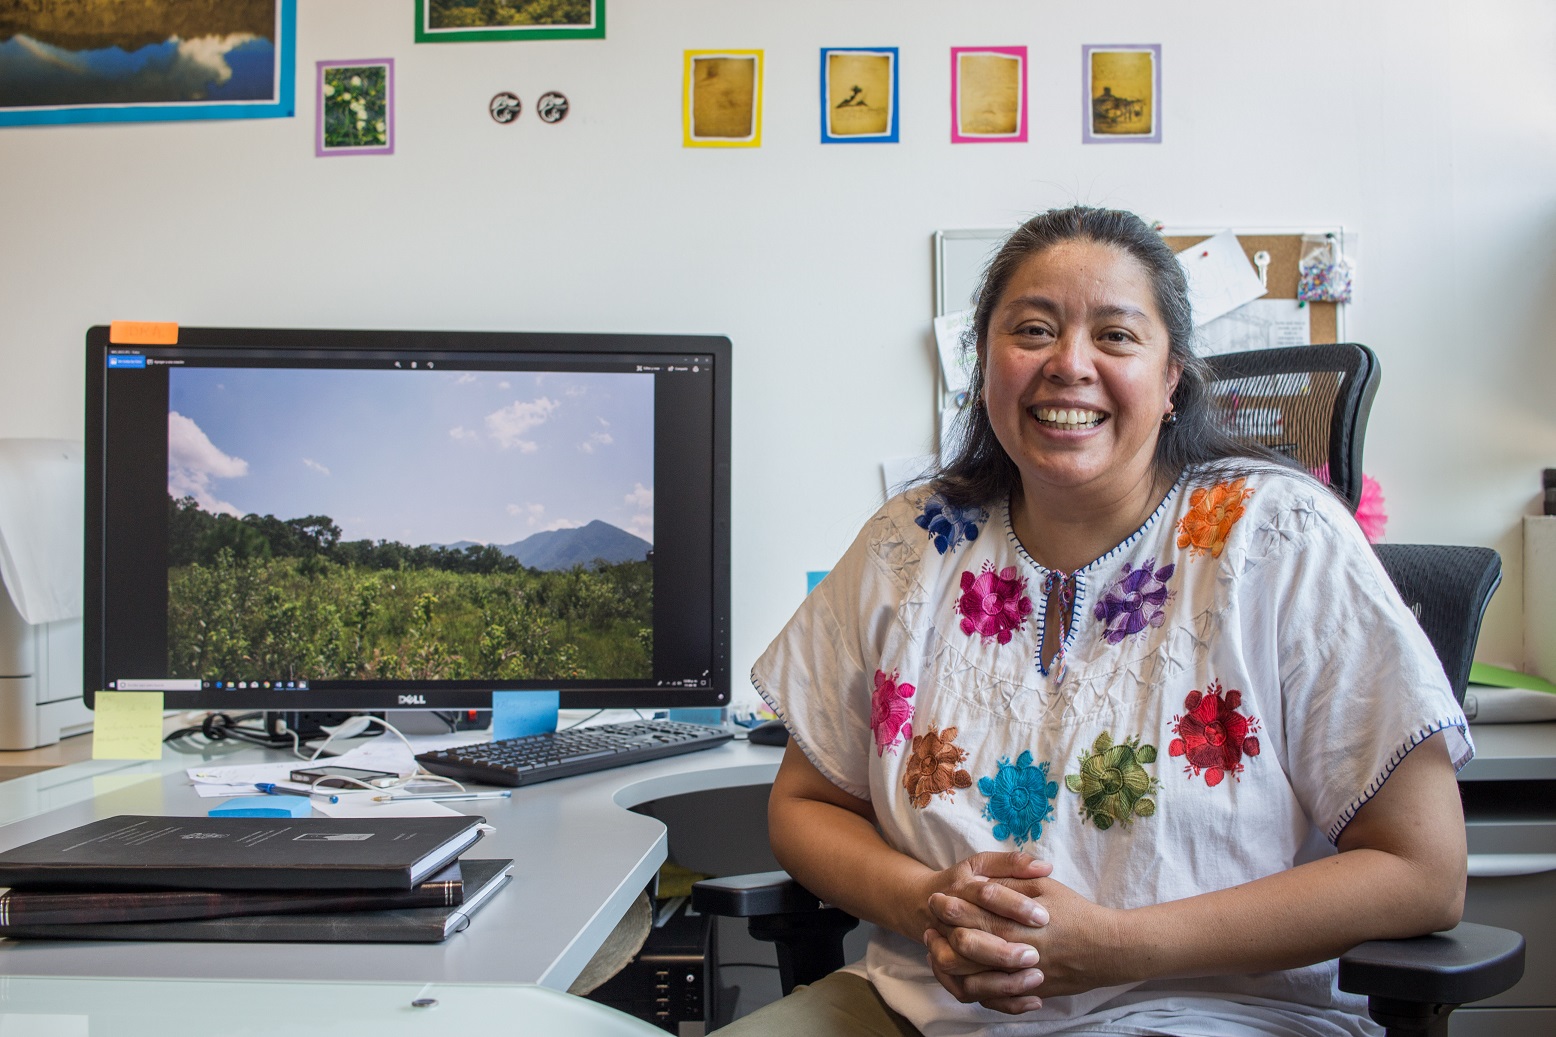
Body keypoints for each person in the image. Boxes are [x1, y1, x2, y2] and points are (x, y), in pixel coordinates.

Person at [732, 206, 1471, 1037]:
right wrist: (927, 903)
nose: (1068, 364)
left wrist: (1121, 945)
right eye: (1034, 330)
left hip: (1206, 1011)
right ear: (985, 368)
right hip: (919, 1008)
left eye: (1116, 337)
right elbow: (803, 801)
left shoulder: (1281, 538)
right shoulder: (912, 540)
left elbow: (1424, 870)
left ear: (1171, 384)